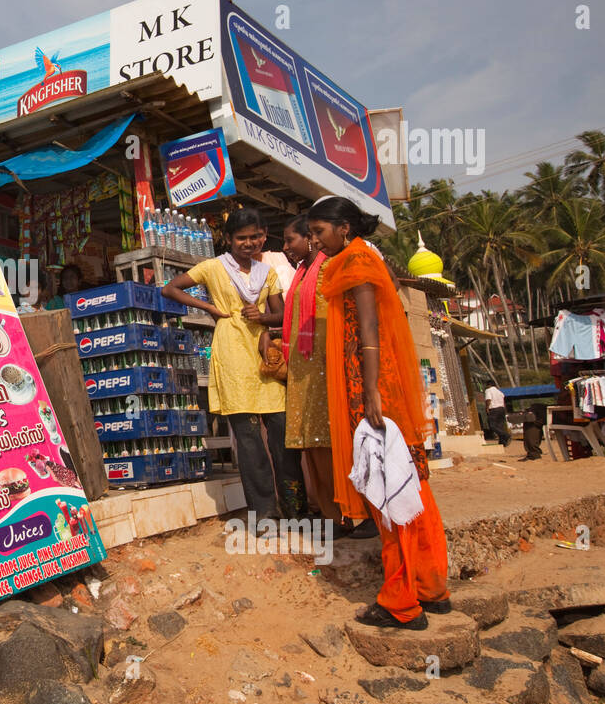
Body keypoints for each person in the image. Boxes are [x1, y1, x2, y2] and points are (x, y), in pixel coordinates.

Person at [308, 196, 449, 630]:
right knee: (411, 483)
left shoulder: (355, 261)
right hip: (375, 384)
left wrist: (369, 390)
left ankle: (401, 602)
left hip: (371, 386)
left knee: (389, 489)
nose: (315, 242)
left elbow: (368, 329)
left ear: (344, 228)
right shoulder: (363, 256)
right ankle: (431, 587)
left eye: (318, 232)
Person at [163, 209, 306, 520]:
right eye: (241, 237)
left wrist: (263, 318)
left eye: (255, 236)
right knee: (250, 440)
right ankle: (265, 513)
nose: (249, 243)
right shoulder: (213, 267)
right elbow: (170, 288)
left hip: (263, 353)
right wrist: (210, 308)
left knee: (283, 437)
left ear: (264, 235)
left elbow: (281, 315)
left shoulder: (267, 272)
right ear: (227, 239)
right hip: (231, 353)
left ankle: (296, 509)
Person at [281, 214, 361, 534]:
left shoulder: (331, 268)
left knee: (334, 441)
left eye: (291, 240)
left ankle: (352, 512)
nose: (286, 248)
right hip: (304, 369)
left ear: (311, 238)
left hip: (327, 367)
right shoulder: (300, 273)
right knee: (313, 444)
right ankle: (330, 515)